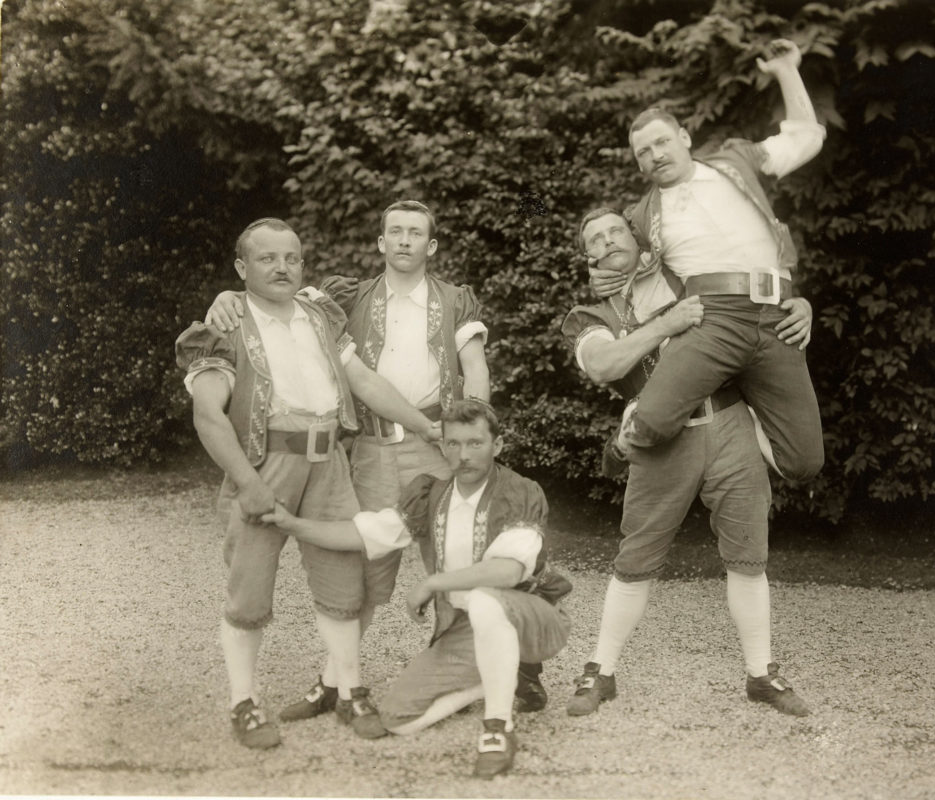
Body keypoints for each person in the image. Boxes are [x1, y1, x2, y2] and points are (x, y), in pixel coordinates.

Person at [205, 202, 547, 717]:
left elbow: (474, 366)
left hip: (436, 444)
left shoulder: (454, 301)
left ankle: (500, 670)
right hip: (369, 449)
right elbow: (269, 295)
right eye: (395, 232)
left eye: (416, 233)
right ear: (380, 243)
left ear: (431, 246)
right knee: (362, 564)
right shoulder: (343, 299)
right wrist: (226, 298)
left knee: (463, 554)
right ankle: (336, 684)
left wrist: (471, 431)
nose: (405, 241)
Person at [175, 218, 442, 749]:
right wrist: (247, 483)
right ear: (241, 267)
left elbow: (363, 382)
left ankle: (349, 689)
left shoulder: (320, 317)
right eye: (267, 258)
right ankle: (244, 702)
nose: (281, 267)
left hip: (330, 465)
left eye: (291, 258)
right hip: (265, 463)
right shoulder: (222, 327)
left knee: (345, 580)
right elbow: (209, 414)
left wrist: (423, 424)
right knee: (249, 588)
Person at [560, 207, 812, 717]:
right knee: (636, 560)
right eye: (595, 239)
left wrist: (800, 302)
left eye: (615, 232)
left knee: (748, 554)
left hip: (730, 422)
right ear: (587, 257)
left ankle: (761, 674)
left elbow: (758, 295)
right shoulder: (591, 317)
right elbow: (605, 363)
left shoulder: (688, 277)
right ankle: (600, 670)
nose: (608, 242)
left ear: (636, 239)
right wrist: (669, 323)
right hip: (662, 443)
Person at [263, 399, 572, 779]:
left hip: (533, 618)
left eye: (475, 443)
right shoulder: (432, 494)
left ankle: (497, 728)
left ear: (498, 445)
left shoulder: (517, 491)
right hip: (466, 630)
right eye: (453, 444)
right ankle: (499, 676)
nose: (463, 455)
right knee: (396, 718)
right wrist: (291, 524)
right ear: (442, 447)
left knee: (485, 599)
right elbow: (363, 532)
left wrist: (433, 582)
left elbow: (508, 572)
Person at [614, 38, 826, 484]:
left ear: (684, 138)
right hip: (713, 321)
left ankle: (743, 417)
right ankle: (659, 407)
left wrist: (788, 70)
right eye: (643, 154)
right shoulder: (642, 215)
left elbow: (805, 138)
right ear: (638, 167)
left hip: (779, 319)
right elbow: (629, 284)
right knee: (647, 426)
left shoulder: (735, 160)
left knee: (804, 465)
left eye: (662, 142)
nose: (655, 156)